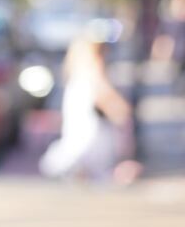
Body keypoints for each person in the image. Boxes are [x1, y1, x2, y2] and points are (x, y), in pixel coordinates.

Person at [40, 29, 137, 183]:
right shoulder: (93, 65)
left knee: (80, 144)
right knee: (89, 144)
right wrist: (119, 109)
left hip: (77, 114)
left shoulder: (75, 66)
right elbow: (102, 91)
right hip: (88, 116)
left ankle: (77, 170)